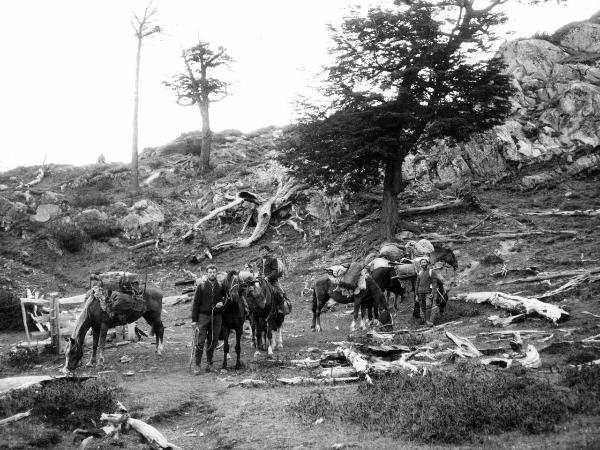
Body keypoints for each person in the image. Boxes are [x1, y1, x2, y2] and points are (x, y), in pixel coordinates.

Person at [191, 264, 226, 375]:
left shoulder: (220, 286)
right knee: (200, 341)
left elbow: (226, 299)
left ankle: (209, 364)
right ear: (207, 273)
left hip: (216, 317)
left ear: (216, 273)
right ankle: (197, 365)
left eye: (214, 272)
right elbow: (195, 304)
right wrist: (194, 320)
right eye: (210, 272)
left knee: (212, 341)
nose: (212, 274)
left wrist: (222, 303)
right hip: (203, 317)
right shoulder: (201, 286)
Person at [257, 245, 288, 315]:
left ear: (267, 251)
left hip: (272, 281)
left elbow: (275, 271)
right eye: (261, 251)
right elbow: (260, 271)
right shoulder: (259, 261)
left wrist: (268, 277)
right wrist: (259, 276)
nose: (262, 252)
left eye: (264, 250)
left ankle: (282, 307)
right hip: (261, 281)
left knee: (280, 292)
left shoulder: (273, 259)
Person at [414, 258, 440, 327]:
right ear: (420, 264)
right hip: (420, 292)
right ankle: (426, 321)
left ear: (427, 263)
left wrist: (433, 292)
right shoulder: (419, 272)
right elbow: (417, 284)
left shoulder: (431, 271)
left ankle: (428, 321)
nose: (423, 264)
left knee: (428, 305)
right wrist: (416, 295)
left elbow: (434, 283)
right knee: (423, 307)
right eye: (422, 263)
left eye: (424, 262)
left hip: (428, 292)